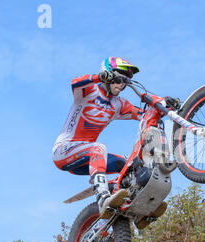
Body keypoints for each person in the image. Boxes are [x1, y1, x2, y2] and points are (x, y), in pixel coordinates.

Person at [52, 56, 166, 225]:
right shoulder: (88, 92)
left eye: (125, 82)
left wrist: (163, 107)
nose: (122, 85)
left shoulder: (118, 103)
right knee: (98, 148)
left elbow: (144, 116)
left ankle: (136, 209)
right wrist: (99, 77)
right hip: (64, 151)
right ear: (108, 74)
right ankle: (102, 196)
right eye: (119, 79)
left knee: (129, 167)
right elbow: (75, 83)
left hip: (88, 158)